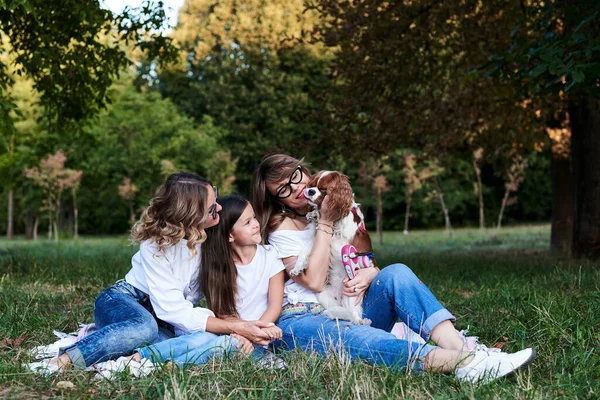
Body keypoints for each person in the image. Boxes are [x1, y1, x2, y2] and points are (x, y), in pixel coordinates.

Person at [251, 154, 536, 383]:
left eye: (296, 176)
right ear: (278, 200)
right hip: (304, 319)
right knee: (365, 341)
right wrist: (324, 222)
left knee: (396, 272)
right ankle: (468, 363)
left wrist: (371, 274)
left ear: (304, 169)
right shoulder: (281, 227)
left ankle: (463, 352)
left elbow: (361, 260)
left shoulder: (336, 207)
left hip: (353, 307)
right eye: (284, 189)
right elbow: (313, 281)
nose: (297, 187)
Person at [29, 172, 272, 373]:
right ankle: (64, 360)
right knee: (144, 329)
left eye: (215, 197)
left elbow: (184, 314)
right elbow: (173, 309)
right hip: (124, 301)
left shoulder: (209, 238)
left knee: (202, 342)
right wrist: (236, 327)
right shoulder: (156, 245)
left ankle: (125, 359)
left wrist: (237, 328)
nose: (218, 208)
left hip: (164, 322)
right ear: (189, 216)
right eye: (211, 208)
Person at [125, 194, 285, 366]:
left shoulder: (270, 255)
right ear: (230, 235)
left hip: (259, 339)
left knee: (226, 345)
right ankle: (136, 359)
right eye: (247, 222)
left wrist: (256, 331)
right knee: (200, 339)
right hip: (231, 331)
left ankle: (169, 367)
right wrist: (242, 331)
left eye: (254, 218)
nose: (256, 224)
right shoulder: (218, 266)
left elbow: (275, 305)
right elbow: (223, 313)